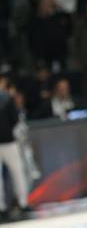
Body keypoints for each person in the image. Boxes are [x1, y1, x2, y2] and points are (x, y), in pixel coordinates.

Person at [0, 75, 29, 219]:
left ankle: (5, 207)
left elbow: (14, 119)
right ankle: (21, 203)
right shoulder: (6, 98)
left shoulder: (6, 98)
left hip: (8, 142)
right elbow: (15, 120)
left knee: (17, 172)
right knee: (17, 173)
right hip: (8, 141)